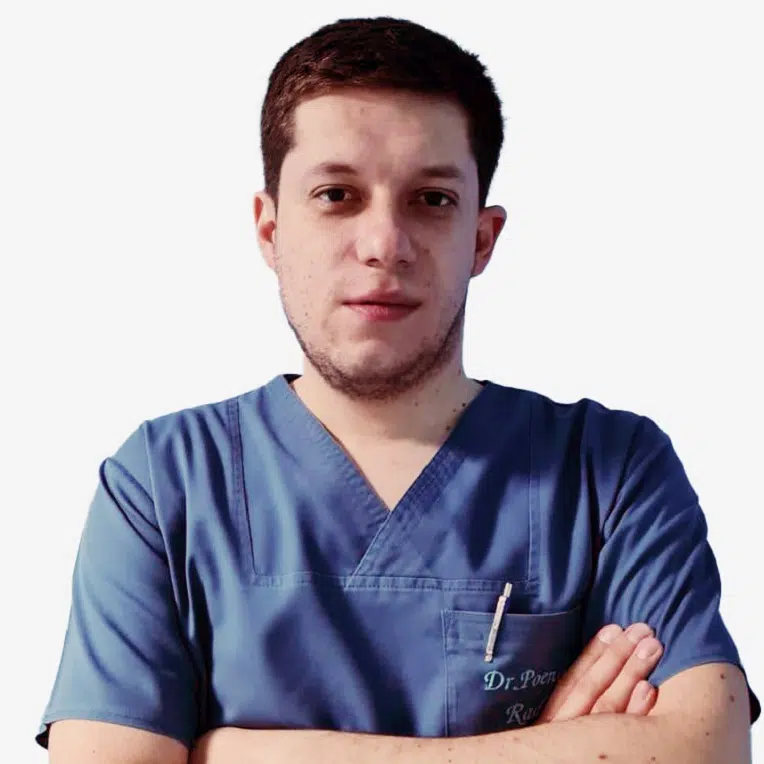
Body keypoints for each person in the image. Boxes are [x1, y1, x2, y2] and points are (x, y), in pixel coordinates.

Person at [38, 15, 759, 764]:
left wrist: (236, 753)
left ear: (481, 238)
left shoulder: (609, 470)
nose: (384, 244)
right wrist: (548, 748)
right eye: (336, 194)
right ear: (270, 230)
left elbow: (704, 747)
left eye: (432, 199)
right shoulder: (165, 483)